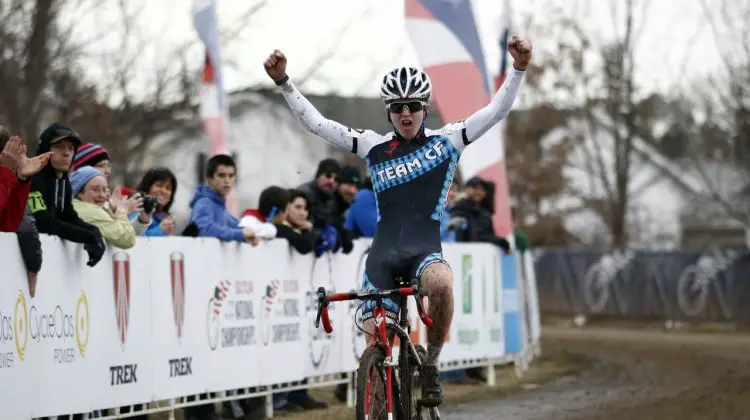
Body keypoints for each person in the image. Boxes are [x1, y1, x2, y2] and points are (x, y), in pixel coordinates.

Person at [263, 35, 531, 407]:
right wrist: (284, 83)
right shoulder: (373, 144)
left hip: (424, 251)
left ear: (426, 108)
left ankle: (432, 365)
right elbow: (319, 125)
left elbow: (495, 112)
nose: (406, 114)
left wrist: (518, 69)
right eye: (398, 107)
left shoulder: (448, 140)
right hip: (383, 256)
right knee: (375, 341)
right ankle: (378, 397)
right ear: (389, 110)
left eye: (414, 106)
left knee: (441, 283)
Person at [28, 123, 106, 268]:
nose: (66, 153)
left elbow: (68, 216)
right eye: (59, 147)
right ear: (45, 149)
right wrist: (87, 237)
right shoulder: (32, 177)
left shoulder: (63, 181)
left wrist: (94, 232)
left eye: (71, 148)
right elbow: (42, 221)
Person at [188, 154, 258, 244]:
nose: (227, 181)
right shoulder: (204, 203)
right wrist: (241, 234)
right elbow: (204, 229)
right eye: (221, 175)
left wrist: (248, 236)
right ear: (210, 179)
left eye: (231, 176)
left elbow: (237, 227)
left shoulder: (221, 209)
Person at [71, 167, 137, 249]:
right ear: (79, 193)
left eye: (105, 189)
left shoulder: (76, 207)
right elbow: (127, 240)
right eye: (95, 189)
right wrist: (121, 212)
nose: (101, 195)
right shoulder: (91, 211)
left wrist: (111, 212)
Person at [130, 167, 177, 236]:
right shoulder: (136, 210)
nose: (163, 191)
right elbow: (131, 240)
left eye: (168, 188)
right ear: (148, 186)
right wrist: (160, 230)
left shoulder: (163, 218)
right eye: (159, 185)